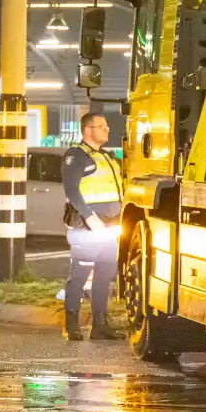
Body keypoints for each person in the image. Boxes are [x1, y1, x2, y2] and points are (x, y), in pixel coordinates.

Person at [61, 112, 125, 341]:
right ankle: (72, 324)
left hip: (110, 228)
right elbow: (72, 190)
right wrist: (90, 218)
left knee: (105, 275)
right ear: (88, 130)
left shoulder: (107, 157)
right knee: (79, 275)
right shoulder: (76, 156)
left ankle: (100, 325)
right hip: (88, 228)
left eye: (106, 126)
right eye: (101, 127)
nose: (107, 130)